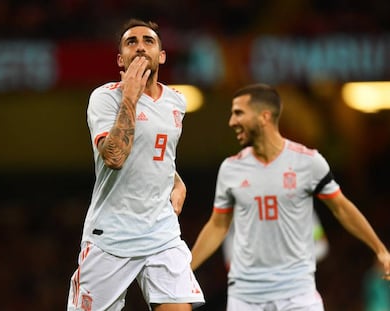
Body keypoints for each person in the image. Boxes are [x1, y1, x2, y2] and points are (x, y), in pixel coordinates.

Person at [190, 83, 390, 310]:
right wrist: (185, 269)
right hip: (247, 296)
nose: (232, 122)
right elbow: (217, 225)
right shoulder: (231, 168)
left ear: (264, 117)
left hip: (297, 294)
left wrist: (379, 248)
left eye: (239, 114)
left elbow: (342, 208)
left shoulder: (307, 162)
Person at [67, 19, 204, 311]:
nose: (140, 46)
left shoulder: (176, 101)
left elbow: (158, 151)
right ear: (120, 58)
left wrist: (175, 179)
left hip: (161, 234)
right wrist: (130, 97)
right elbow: (114, 157)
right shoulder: (105, 98)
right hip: (111, 237)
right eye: (131, 42)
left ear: (161, 55)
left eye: (148, 41)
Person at [222, 211, 329, 271]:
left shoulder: (300, 206)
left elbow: (322, 244)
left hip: (296, 283)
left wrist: (294, 260)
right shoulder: (241, 211)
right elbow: (230, 263)